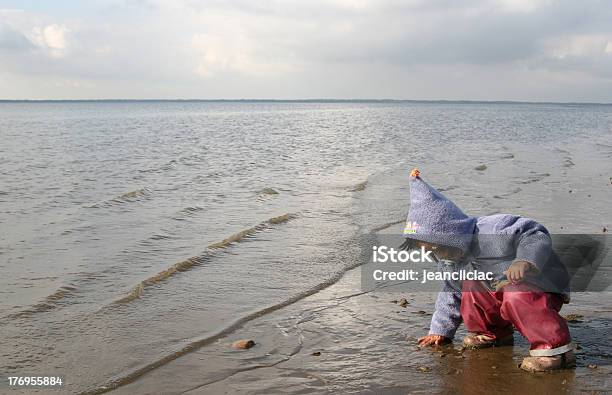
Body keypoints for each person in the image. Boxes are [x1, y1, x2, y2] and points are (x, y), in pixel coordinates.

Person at [401, 168, 575, 372]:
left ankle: (556, 349)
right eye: (430, 252)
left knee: (515, 293)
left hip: (540, 287)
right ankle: (493, 333)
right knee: (470, 285)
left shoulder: (493, 229)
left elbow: (535, 233)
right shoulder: (450, 260)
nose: (439, 256)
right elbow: (450, 291)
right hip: (498, 292)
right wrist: (440, 331)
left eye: (437, 248)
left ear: (450, 234)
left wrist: (524, 260)